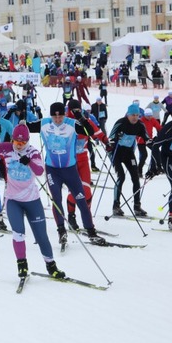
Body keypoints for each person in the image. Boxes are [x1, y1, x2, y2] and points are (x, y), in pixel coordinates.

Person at [0, 123, 65, 279]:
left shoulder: (33, 152)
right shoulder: (7, 148)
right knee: (18, 234)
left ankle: (51, 266)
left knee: (41, 236)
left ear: (28, 141)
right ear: (12, 140)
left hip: (32, 200)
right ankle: (22, 265)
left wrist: (29, 161)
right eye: (16, 141)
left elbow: (40, 171)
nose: (19, 145)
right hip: (13, 200)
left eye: (23, 142)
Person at [40, 102, 106, 246]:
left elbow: (91, 130)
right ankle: (62, 230)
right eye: (55, 116)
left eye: (60, 116)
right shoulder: (46, 123)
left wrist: (81, 117)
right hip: (53, 169)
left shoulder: (74, 122)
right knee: (56, 200)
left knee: (82, 197)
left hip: (72, 166)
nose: (58, 119)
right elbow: (25, 129)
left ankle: (91, 231)